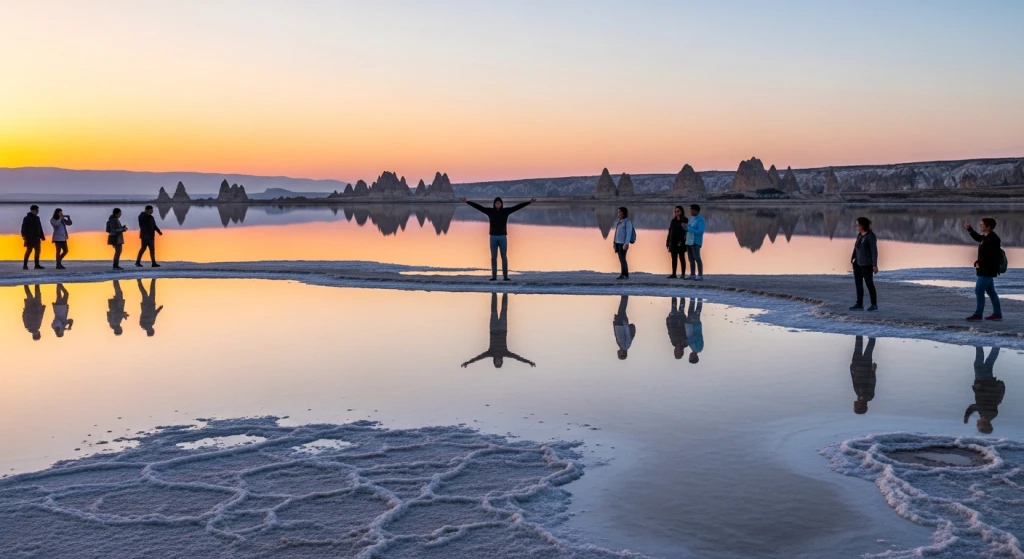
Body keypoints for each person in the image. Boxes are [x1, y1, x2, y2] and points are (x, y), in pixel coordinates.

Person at [459, 196, 537, 281]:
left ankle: (505, 276)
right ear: (494, 204)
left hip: (503, 237)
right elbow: (479, 207)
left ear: (501, 204)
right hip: (493, 237)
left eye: (499, 203)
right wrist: (467, 202)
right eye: (496, 203)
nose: (498, 204)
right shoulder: (490, 211)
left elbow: (517, 207)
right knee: (493, 257)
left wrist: (529, 202)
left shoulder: (505, 211)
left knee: (504, 257)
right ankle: (494, 276)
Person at [461, 292, 536, 368]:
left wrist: (468, 362)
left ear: (494, 361)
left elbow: (479, 357)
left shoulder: (490, 353)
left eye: (497, 362)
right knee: (504, 311)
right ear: (501, 361)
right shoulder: (505, 353)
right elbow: (516, 357)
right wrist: (528, 362)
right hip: (503, 329)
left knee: (493, 311)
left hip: (493, 329)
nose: (498, 361)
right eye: (499, 362)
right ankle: (505, 293)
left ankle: (494, 293)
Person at [964, 218, 1003, 321]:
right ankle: (997, 314)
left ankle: (978, 314)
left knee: (979, 290)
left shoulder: (993, 239)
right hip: (986, 269)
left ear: (988, 226)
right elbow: (978, 238)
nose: (980, 226)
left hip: (987, 270)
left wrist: (978, 263)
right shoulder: (986, 237)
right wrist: (970, 229)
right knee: (991, 292)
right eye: (980, 224)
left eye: (982, 224)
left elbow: (990, 255)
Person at [964, 346, 1004, 434]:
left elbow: (977, 404)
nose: (977, 425)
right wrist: (966, 417)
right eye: (979, 426)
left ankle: (996, 344)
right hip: (985, 382)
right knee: (978, 364)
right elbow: (976, 405)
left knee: (989, 362)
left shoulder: (986, 414)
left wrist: (967, 417)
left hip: (986, 382)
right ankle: (979, 343)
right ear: (984, 424)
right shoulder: (988, 414)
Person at [849, 217, 879, 312]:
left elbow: (874, 252)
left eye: (858, 225)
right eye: (856, 225)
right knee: (858, 284)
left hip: (866, 264)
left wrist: (874, 265)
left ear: (863, 225)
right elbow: (856, 247)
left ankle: (874, 305)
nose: (856, 227)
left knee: (869, 284)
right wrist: (853, 258)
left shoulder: (871, 236)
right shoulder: (859, 235)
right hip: (857, 263)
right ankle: (859, 304)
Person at [850, 336, 877, 414]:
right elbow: (872, 382)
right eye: (855, 407)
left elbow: (853, 380)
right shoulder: (869, 396)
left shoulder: (858, 393)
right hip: (866, 367)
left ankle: (860, 327)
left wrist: (851, 369)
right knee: (870, 346)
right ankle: (872, 330)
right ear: (860, 406)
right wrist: (873, 371)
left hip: (856, 366)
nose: (854, 405)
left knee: (858, 343)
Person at [21, 205, 46, 270]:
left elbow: (40, 228)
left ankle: (37, 265)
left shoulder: (37, 218)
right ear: (32, 210)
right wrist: (24, 236)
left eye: (38, 210)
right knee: (29, 251)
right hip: (29, 238)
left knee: (38, 251)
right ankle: (25, 265)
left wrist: (42, 236)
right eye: (36, 210)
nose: (37, 211)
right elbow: (23, 228)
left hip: (37, 238)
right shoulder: (26, 218)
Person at [666, 206, 688, 278]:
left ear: (681, 211)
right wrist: (668, 241)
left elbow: (685, 232)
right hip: (673, 242)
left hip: (681, 242)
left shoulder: (685, 220)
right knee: (674, 259)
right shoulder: (673, 221)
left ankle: (683, 274)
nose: (676, 213)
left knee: (682, 258)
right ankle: (674, 274)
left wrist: (682, 241)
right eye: (675, 211)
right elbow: (670, 231)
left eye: (678, 211)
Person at [613, 207, 635, 280]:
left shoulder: (627, 221)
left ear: (624, 212)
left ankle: (625, 274)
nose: (618, 213)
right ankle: (623, 274)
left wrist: (626, 243)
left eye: (620, 211)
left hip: (623, 244)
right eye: (618, 211)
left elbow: (628, 233)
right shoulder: (620, 221)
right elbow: (617, 233)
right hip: (618, 243)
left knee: (623, 259)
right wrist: (614, 242)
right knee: (621, 259)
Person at [684, 204, 705, 281]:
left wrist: (688, 229)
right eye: (690, 210)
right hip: (689, 241)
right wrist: (685, 228)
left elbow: (700, 231)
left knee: (697, 258)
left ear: (697, 211)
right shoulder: (692, 218)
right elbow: (689, 228)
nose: (691, 211)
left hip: (695, 242)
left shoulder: (700, 220)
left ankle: (700, 275)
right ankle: (692, 274)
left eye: (692, 210)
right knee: (691, 259)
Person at [613, 295, 635, 360]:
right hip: (622, 324)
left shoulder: (620, 345)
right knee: (622, 307)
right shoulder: (626, 345)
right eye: (619, 355)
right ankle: (625, 295)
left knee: (622, 308)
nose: (617, 354)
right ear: (622, 354)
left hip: (618, 324)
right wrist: (625, 324)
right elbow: (627, 335)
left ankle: (624, 295)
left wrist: (614, 323)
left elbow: (617, 334)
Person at [685, 297, 703, 364]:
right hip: (695, 326)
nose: (690, 356)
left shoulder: (693, 348)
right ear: (695, 357)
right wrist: (687, 341)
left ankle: (693, 295)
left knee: (691, 309)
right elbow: (698, 337)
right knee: (697, 308)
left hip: (690, 325)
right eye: (691, 357)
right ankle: (699, 295)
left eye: (689, 357)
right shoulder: (698, 348)